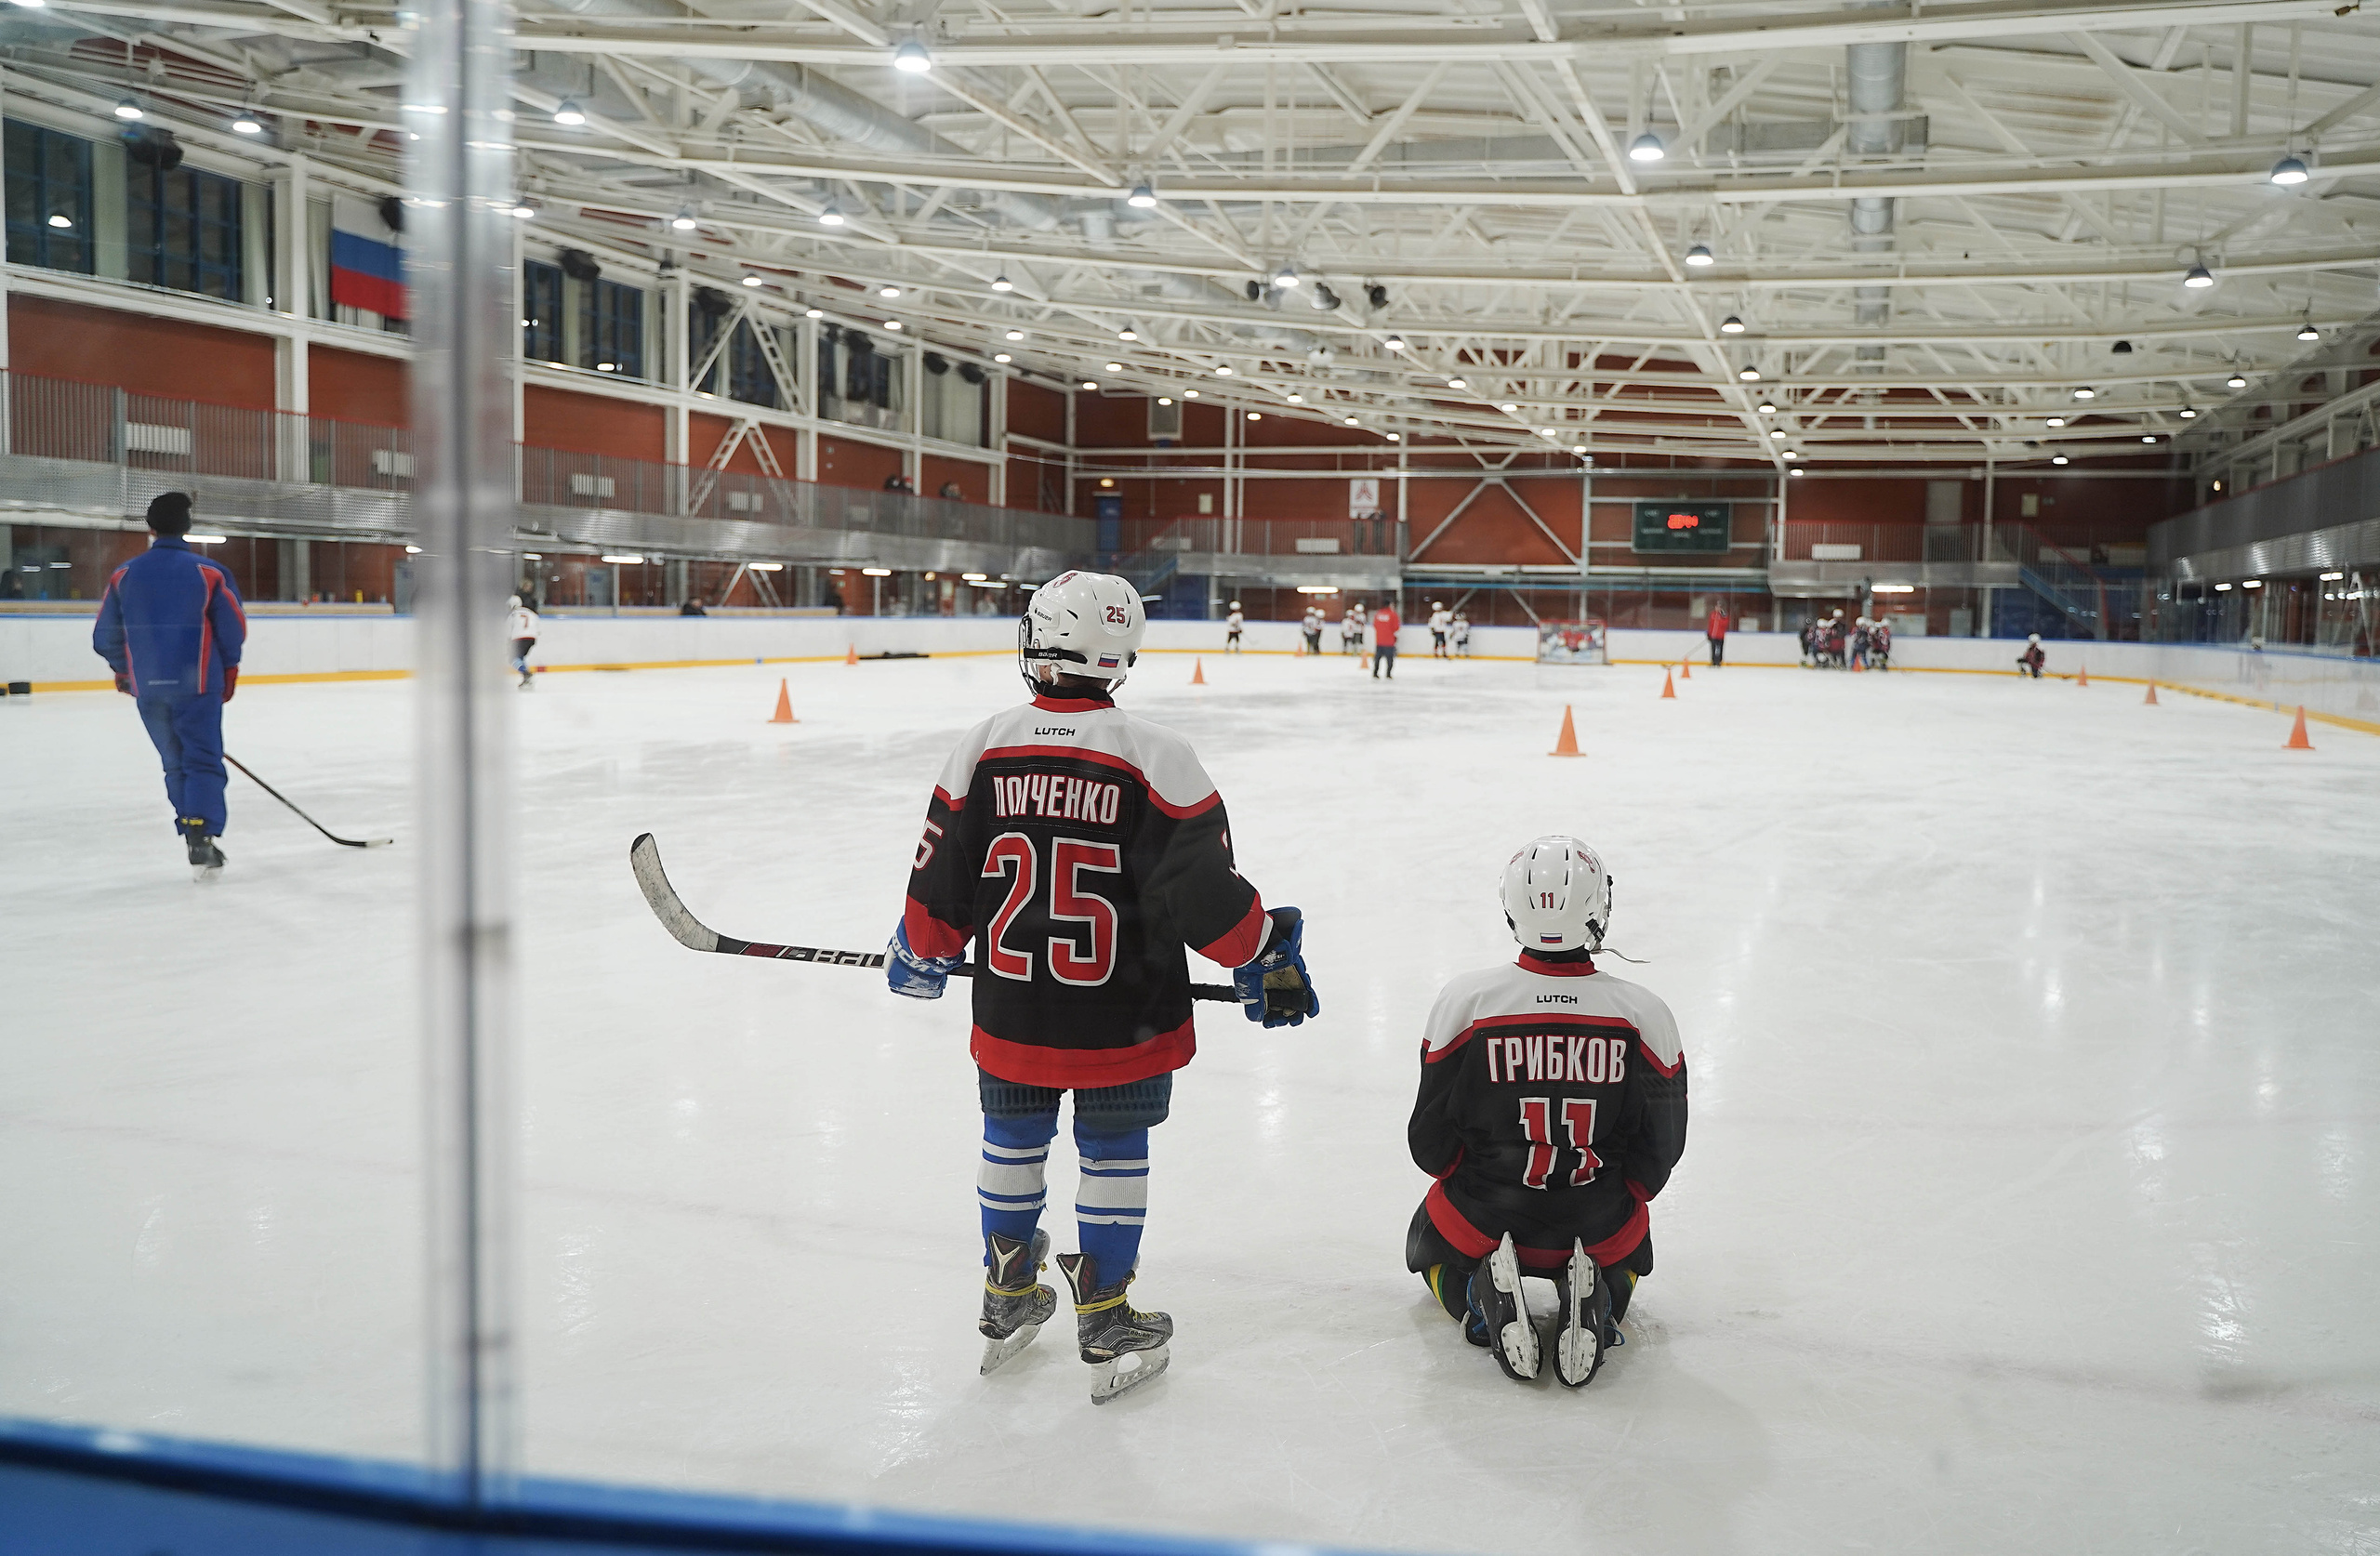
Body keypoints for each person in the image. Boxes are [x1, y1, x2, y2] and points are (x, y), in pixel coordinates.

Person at [888, 571, 1320, 1404]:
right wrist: (1264, 954)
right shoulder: (1160, 757)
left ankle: (1008, 1290)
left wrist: (922, 949)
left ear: (1041, 641)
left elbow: (940, 888)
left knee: (1011, 1143)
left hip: (1014, 1009)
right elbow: (1209, 899)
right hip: (1126, 1018)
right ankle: (1107, 1312)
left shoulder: (982, 745)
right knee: (1114, 1153)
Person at [1405, 836, 1687, 1387]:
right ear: (1598, 908)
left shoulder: (1466, 1001)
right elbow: (1661, 1152)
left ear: (1512, 907)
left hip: (1485, 1213)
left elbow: (1430, 1144)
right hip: (1598, 1217)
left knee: (1425, 1246)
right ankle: (1598, 1303)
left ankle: (1480, 1299)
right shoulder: (1645, 1013)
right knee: (1629, 1259)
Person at [92, 492, 247, 881]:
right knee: (202, 760)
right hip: (198, 685)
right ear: (188, 527)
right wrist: (227, 674)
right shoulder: (208, 572)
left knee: (175, 763)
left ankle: (191, 828)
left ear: (151, 528)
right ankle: (201, 832)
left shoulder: (124, 575)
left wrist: (126, 671)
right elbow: (233, 630)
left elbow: (104, 636)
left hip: (150, 689)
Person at [508, 594, 540, 689]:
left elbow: (507, 630)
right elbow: (537, 626)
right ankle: (526, 679)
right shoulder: (530, 612)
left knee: (513, 659)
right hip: (532, 637)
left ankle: (526, 674)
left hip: (519, 638)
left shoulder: (513, 615)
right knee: (520, 658)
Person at [1370, 599, 1402, 679]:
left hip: (1379, 640)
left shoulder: (1378, 614)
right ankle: (1388, 673)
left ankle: (1375, 672)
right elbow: (1396, 627)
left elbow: (1375, 625)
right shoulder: (1393, 614)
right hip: (1389, 641)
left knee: (1377, 658)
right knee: (1389, 659)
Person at [1705, 602, 1729, 666]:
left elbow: (1725, 624)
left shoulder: (1723, 615)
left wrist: (1724, 617)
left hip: (1720, 636)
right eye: (1716, 607)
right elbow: (1710, 625)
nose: (1717, 608)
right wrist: (1709, 633)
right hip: (1713, 635)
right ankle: (1713, 661)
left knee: (1719, 649)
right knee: (1713, 649)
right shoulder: (1712, 614)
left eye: (1719, 607)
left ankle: (1718, 661)